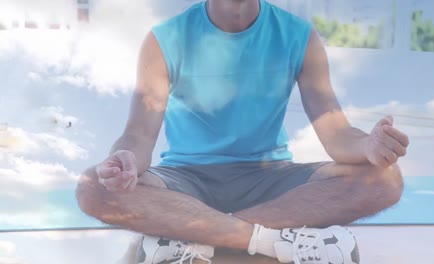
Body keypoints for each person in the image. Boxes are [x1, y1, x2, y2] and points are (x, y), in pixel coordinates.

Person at [75, 0, 409, 263]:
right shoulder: (164, 38)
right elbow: (138, 134)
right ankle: (270, 242)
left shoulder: (299, 36)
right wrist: (124, 162)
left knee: (384, 179)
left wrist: (368, 145)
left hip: (271, 178)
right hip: (186, 180)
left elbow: (336, 132)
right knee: (94, 187)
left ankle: (196, 237)